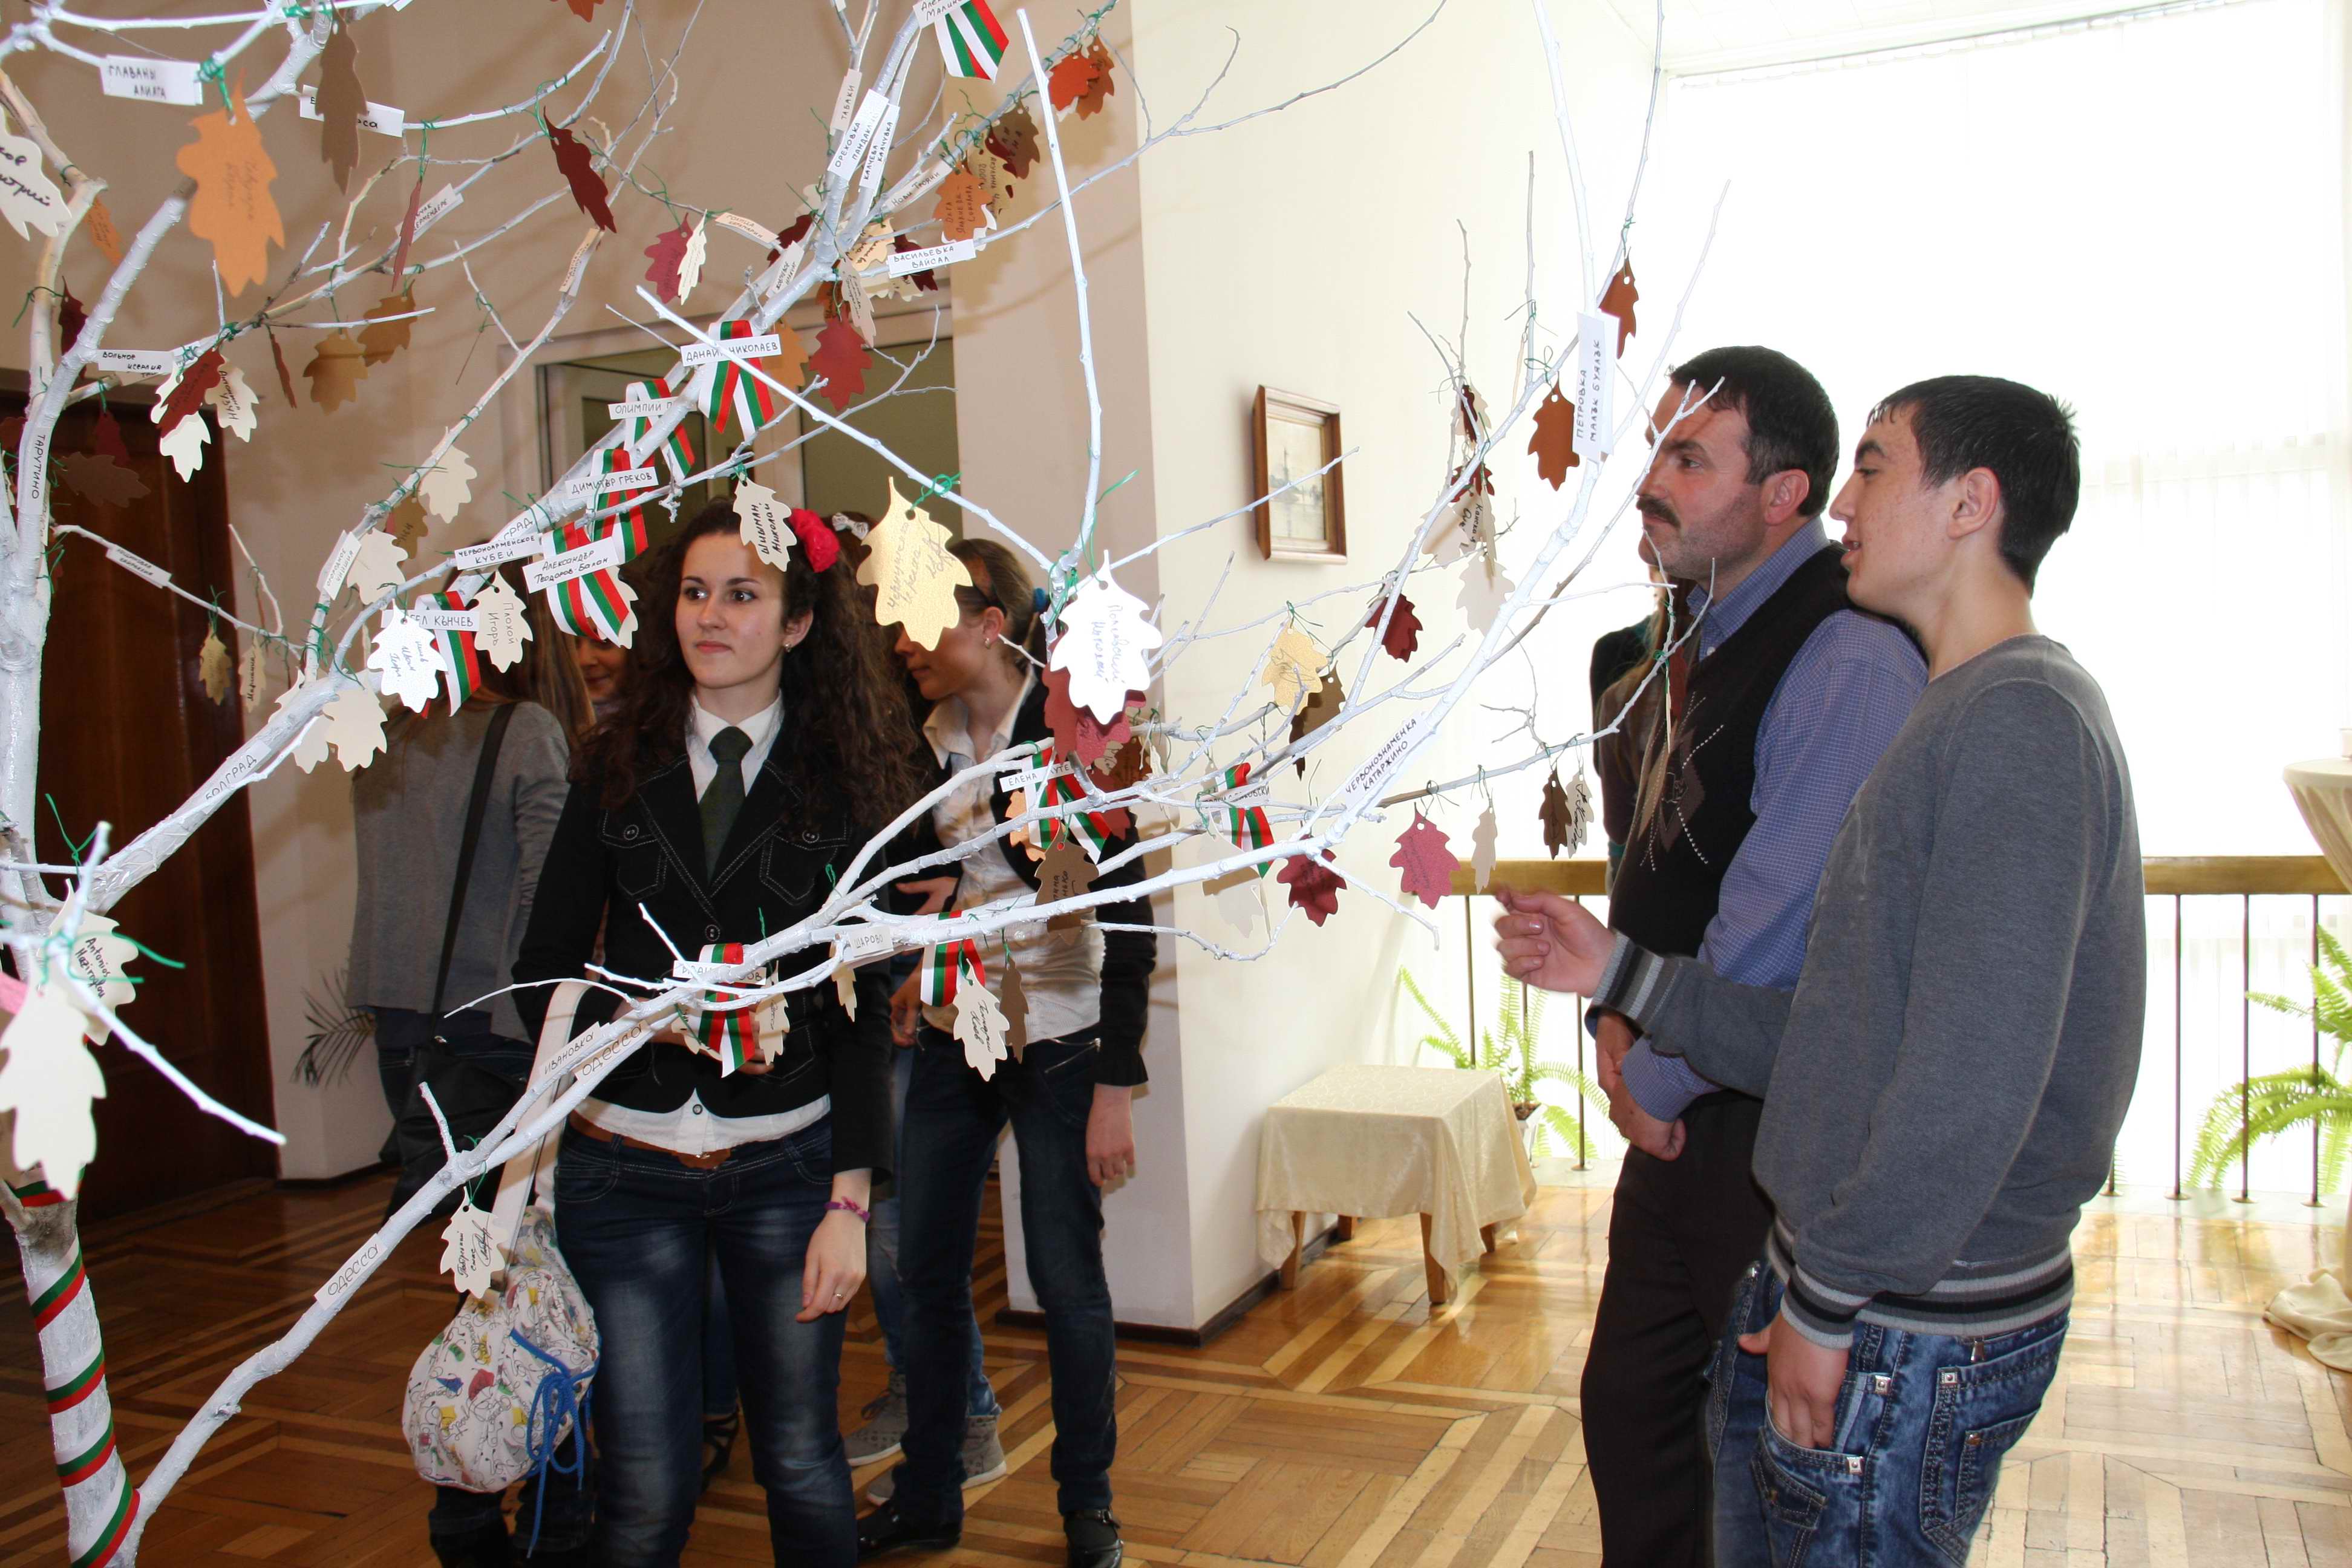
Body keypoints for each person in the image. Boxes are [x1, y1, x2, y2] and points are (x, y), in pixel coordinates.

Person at [1498, 375, 2144, 1567]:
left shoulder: (2021, 722)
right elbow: (1839, 1030)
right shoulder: (1957, 710)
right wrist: (1625, 974)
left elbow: (1968, 1080)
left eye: (1876, 467)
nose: (1845, 502)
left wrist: (1832, 1300)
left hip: (1907, 1316)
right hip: (1856, 1289)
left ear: (1971, 503)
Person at [514, 499, 925, 1567]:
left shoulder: (848, 780)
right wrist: (638, 1026)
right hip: (624, 1170)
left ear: (796, 622)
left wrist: (850, 1203)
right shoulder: (615, 762)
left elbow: (862, 1014)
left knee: (800, 1460)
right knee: (644, 1491)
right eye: (695, 592)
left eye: (743, 594)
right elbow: (540, 971)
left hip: (787, 1168)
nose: (711, 615)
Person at [1575, 345, 1926, 1568]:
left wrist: (1648, 1081)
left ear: (1784, 495)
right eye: (1655, 452)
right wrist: (1611, 1024)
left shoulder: (1845, 653)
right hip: (1675, 1096)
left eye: (1689, 459)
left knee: (1764, 1472)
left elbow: (1775, 928)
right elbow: (1651, 869)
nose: (1651, 483)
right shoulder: (1683, 641)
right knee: (1633, 1418)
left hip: (1770, 1129)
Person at [856, 538, 1155, 1568]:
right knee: (926, 1268)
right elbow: (951, 886)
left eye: (917, 618)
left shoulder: (1075, 730)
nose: (901, 640)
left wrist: (1116, 1082)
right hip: (959, 1032)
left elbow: (1132, 917)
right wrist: (923, 965)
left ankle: (1088, 1507)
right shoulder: (931, 737)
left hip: (1064, 1040)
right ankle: (931, 1495)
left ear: (989, 624)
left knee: (1067, 1282)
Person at [345, 561, 593, 1567]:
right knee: (541, 1279)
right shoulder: (524, 731)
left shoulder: (386, 732)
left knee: (473, 1275)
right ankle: (538, 1506)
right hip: (497, 1037)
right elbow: (545, 902)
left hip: (408, 1035)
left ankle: (469, 1498)